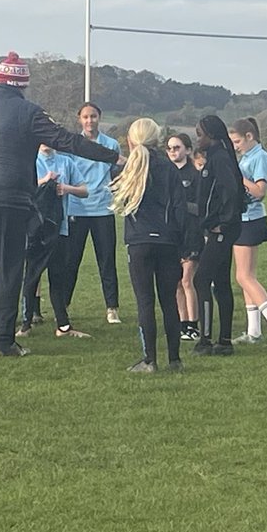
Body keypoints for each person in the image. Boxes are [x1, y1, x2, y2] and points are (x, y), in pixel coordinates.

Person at [0, 52, 119, 357]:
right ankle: (4, 340)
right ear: (22, 85)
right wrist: (110, 156)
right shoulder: (29, 113)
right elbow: (67, 141)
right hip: (11, 201)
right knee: (9, 270)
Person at [111, 118, 187, 374]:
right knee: (169, 301)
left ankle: (149, 360)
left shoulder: (128, 170)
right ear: (158, 140)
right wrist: (180, 243)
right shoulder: (170, 169)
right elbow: (179, 210)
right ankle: (175, 359)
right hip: (167, 242)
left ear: (131, 141)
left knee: (145, 302)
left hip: (139, 242)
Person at [229, 117, 267, 347]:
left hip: (250, 219)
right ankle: (253, 331)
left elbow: (260, 190)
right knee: (247, 277)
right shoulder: (247, 156)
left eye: (237, 141)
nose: (235, 146)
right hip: (245, 218)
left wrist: (239, 178)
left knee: (243, 277)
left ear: (249, 136)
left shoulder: (260, 156)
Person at [19, 145, 91, 339]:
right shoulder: (31, 161)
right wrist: (43, 181)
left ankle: (63, 326)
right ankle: (25, 325)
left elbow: (85, 191)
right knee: (31, 276)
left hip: (60, 229)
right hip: (36, 231)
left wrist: (66, 188)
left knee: (58, 278)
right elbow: (22, 190)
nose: (46, 143)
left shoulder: (66, 162)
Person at [65, 102, 123, 324]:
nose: (90, 121)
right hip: (76, 209)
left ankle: (112, 308)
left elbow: (117, 175)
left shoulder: (111, 145)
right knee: (71, 261)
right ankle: (65, 305)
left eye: (94, 116)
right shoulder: (73, 144)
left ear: (100, 118)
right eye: (86, 117)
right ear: (79, 119)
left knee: (107, 260)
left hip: (102, 210)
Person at [191, 114, 244, 356]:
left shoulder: (220, 158)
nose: (197, 138)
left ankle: (205, 339)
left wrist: (223, 222)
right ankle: (224, 341)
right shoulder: (215, 157)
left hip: (222, 229)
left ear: (211, 135)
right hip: (217, 227)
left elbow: (232, 191)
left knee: (201, 279)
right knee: (220, 281)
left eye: (200, 134)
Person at [166, 131, 200, 342]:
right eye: (169, 148)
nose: (172, 152)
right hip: (173, 234)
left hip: (191, 233)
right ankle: (181, 323)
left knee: (188, 281)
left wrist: (180, 206)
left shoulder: (194, 175)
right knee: (177, 282)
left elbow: (200, 207)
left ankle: (193, 325)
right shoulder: (166, 173)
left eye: (177, 147)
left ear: (188, 150)